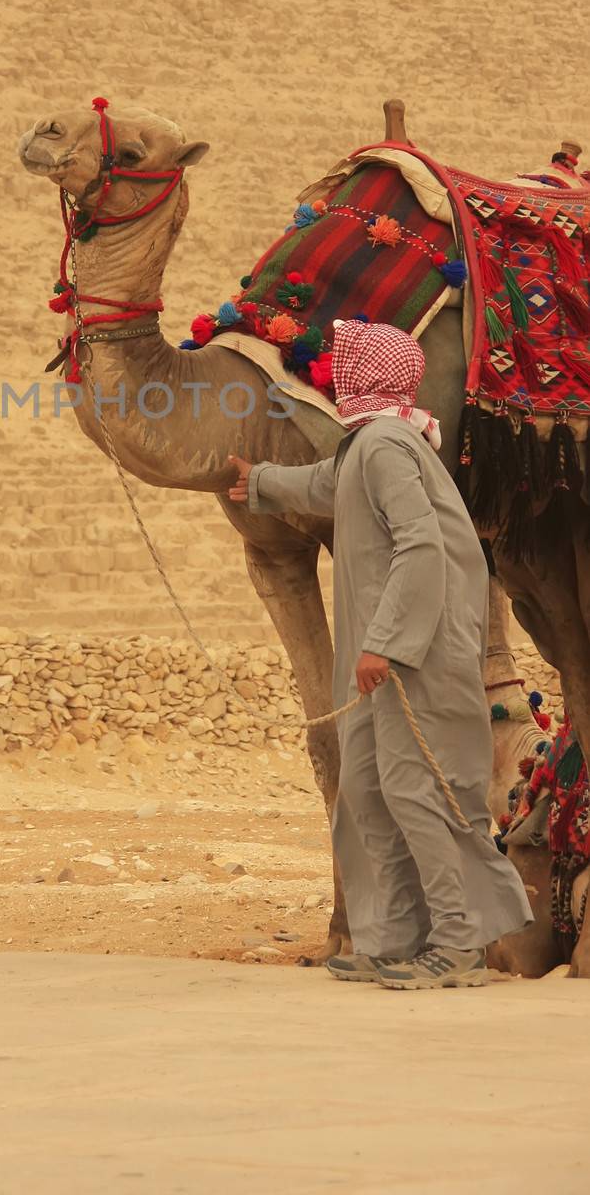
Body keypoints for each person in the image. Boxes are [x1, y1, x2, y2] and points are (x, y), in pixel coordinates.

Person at [229, 318, 532, 990]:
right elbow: (327, 487)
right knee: (367, 790)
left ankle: (457, 946)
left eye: (346, 365)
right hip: (383, 654)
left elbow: (421, 545)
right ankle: (392, 939)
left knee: (417, 791)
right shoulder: (372, 445)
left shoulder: (388, 445)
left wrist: (387, 645)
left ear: (362, 376)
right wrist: (260, 483)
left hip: (410, 655)